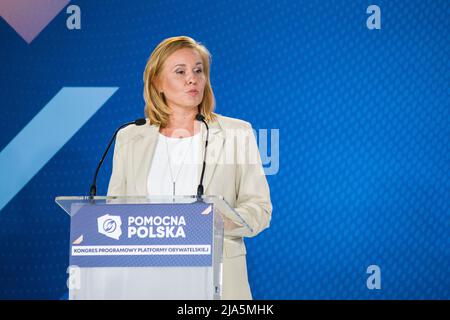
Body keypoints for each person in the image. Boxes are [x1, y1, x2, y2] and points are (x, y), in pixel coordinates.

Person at [107, 36, 272, 300]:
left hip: (215, 280)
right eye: (180, 72)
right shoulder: (130, 138)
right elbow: (115, 209)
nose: (192, 79)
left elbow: (260, 209)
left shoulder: (236, 133)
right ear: (157, 83)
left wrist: (219, 222)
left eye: (198, 70)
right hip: (145, 282)